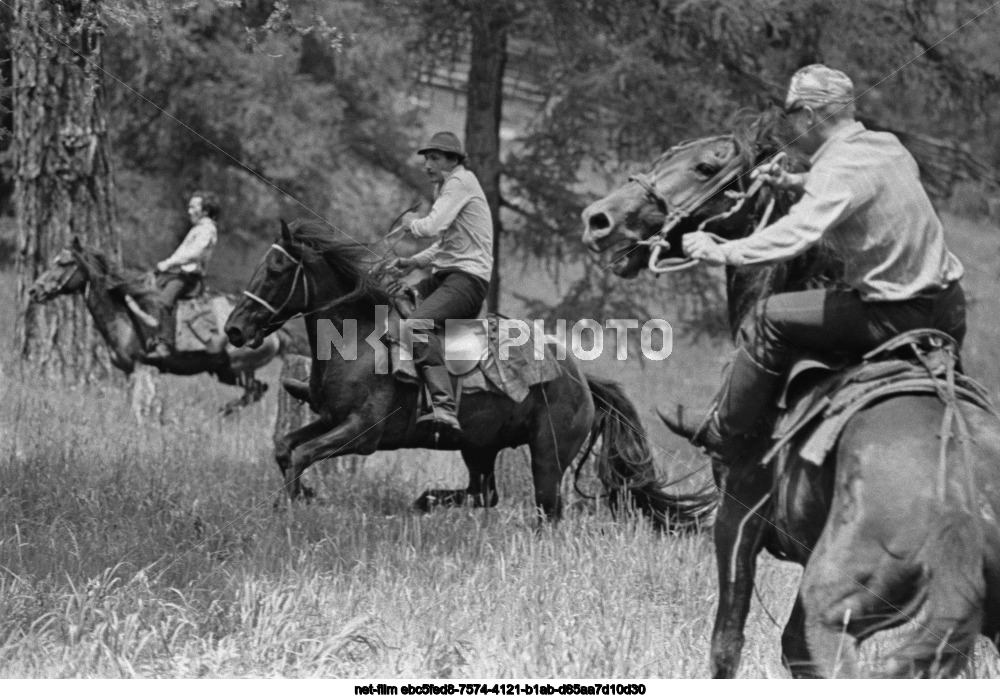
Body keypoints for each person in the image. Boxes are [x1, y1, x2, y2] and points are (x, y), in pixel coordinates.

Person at [676, 64, 966, 462]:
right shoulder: (886, 146)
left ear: (810, 115)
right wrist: (795, 183)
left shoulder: (835, 169)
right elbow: (862, 184)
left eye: (793, 114)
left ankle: (723, 431)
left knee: (766, 317)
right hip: (949, 310)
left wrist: (718, 250)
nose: (792, 124)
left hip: (893, 316)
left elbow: (796, 236)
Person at [391, 132, 493, 441]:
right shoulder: (448, 187)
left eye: (434, 158)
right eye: (425, 159)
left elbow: (430, 228)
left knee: (419, 323)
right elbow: (448, 244)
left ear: (453, 160)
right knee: (393, 299)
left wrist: (410, 221)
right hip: (449, 274)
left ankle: (444, 407)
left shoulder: (459, 183)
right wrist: (415, 262)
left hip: (467, 279)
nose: (427, 165)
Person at [147, 191, 220, 359]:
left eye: (193, 207)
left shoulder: (207, 230)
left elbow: (193, 254)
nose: (189, 211)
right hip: (178, 273)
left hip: (187, 277)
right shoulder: (198, 229)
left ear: (205, 211)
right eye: (189, 207)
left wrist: (168, 263)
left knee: (164, 301)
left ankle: (166, 344)